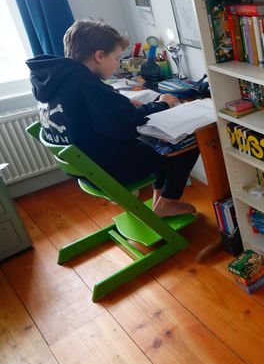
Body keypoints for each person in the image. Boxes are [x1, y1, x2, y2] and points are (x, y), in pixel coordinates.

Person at [27, 20, 199, 217]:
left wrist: (122, 106)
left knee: (160, 141)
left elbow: (92, 112)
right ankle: (167, 202)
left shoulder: (55, 79)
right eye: (117, 58)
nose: (117, 64)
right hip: (110, 170)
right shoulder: (84, 84)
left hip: (85, 169)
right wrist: (163, 103)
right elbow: (125, 127)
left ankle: (160, 200)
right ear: (99, 56)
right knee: (188, 141)